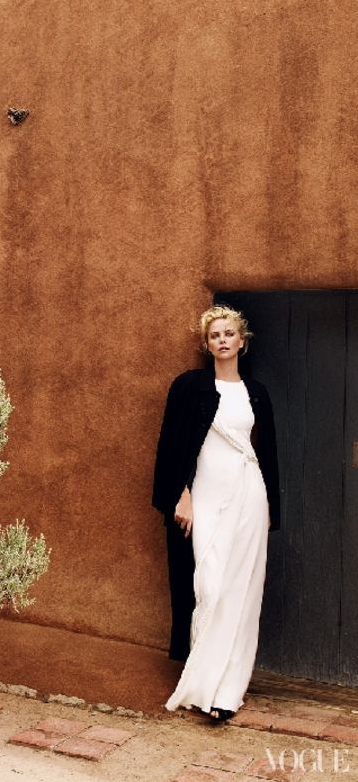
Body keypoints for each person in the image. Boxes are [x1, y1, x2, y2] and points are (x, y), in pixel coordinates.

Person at [152, 305, 280, 722]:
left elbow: (267, 453)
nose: (222, 340)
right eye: (214, 335)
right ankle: (200, 683)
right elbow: (171, 446)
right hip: (205, 495)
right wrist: (181, 494)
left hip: (249, 494)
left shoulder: (256, 393)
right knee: (210, 586)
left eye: (229, 334)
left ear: (242, 341)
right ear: (207, 345)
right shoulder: (189, 386)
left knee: (243, 591)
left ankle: (227, 692)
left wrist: (270, 509)